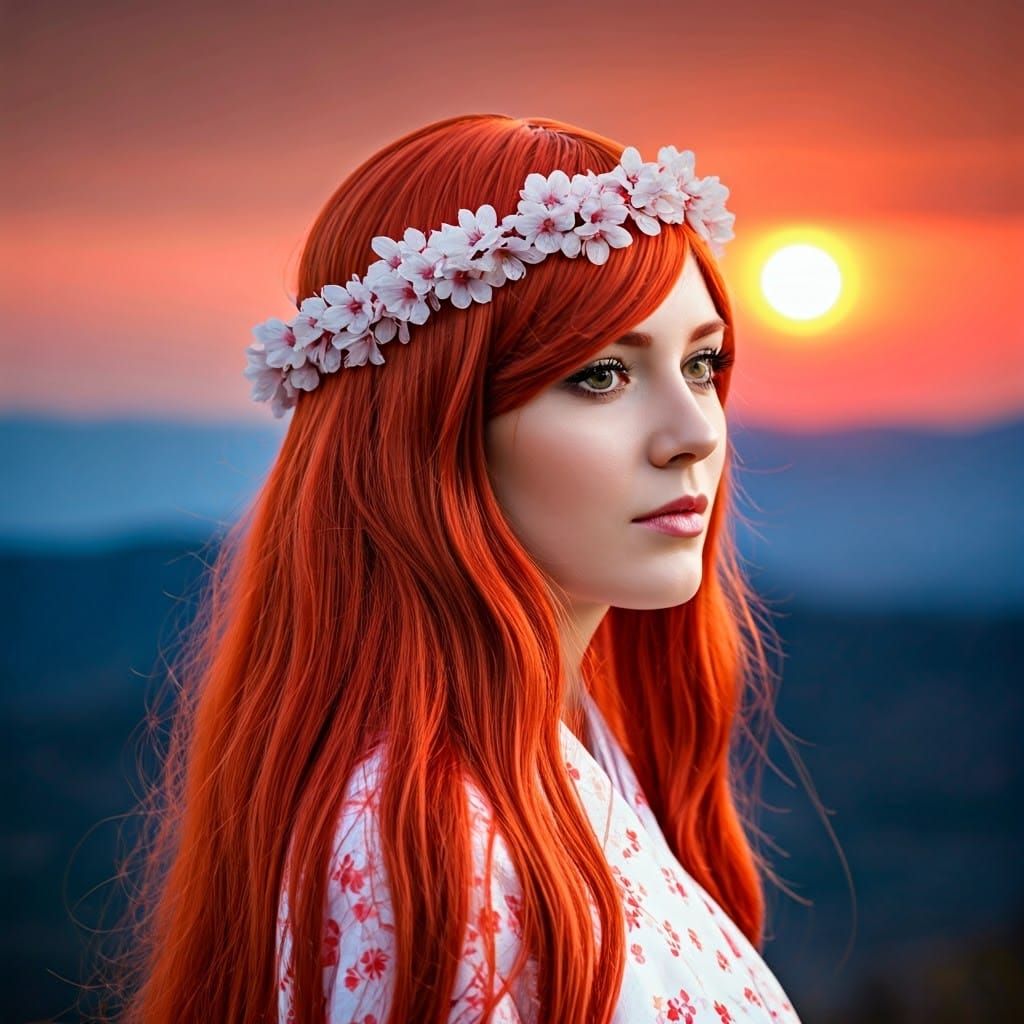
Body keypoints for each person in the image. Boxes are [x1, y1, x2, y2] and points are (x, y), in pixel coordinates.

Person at [114, 113, 802, 1023]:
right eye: (600, 375)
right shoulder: (433, 848)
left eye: (704, 362)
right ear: (428, 427)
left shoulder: (570, 753)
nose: (698, 433)